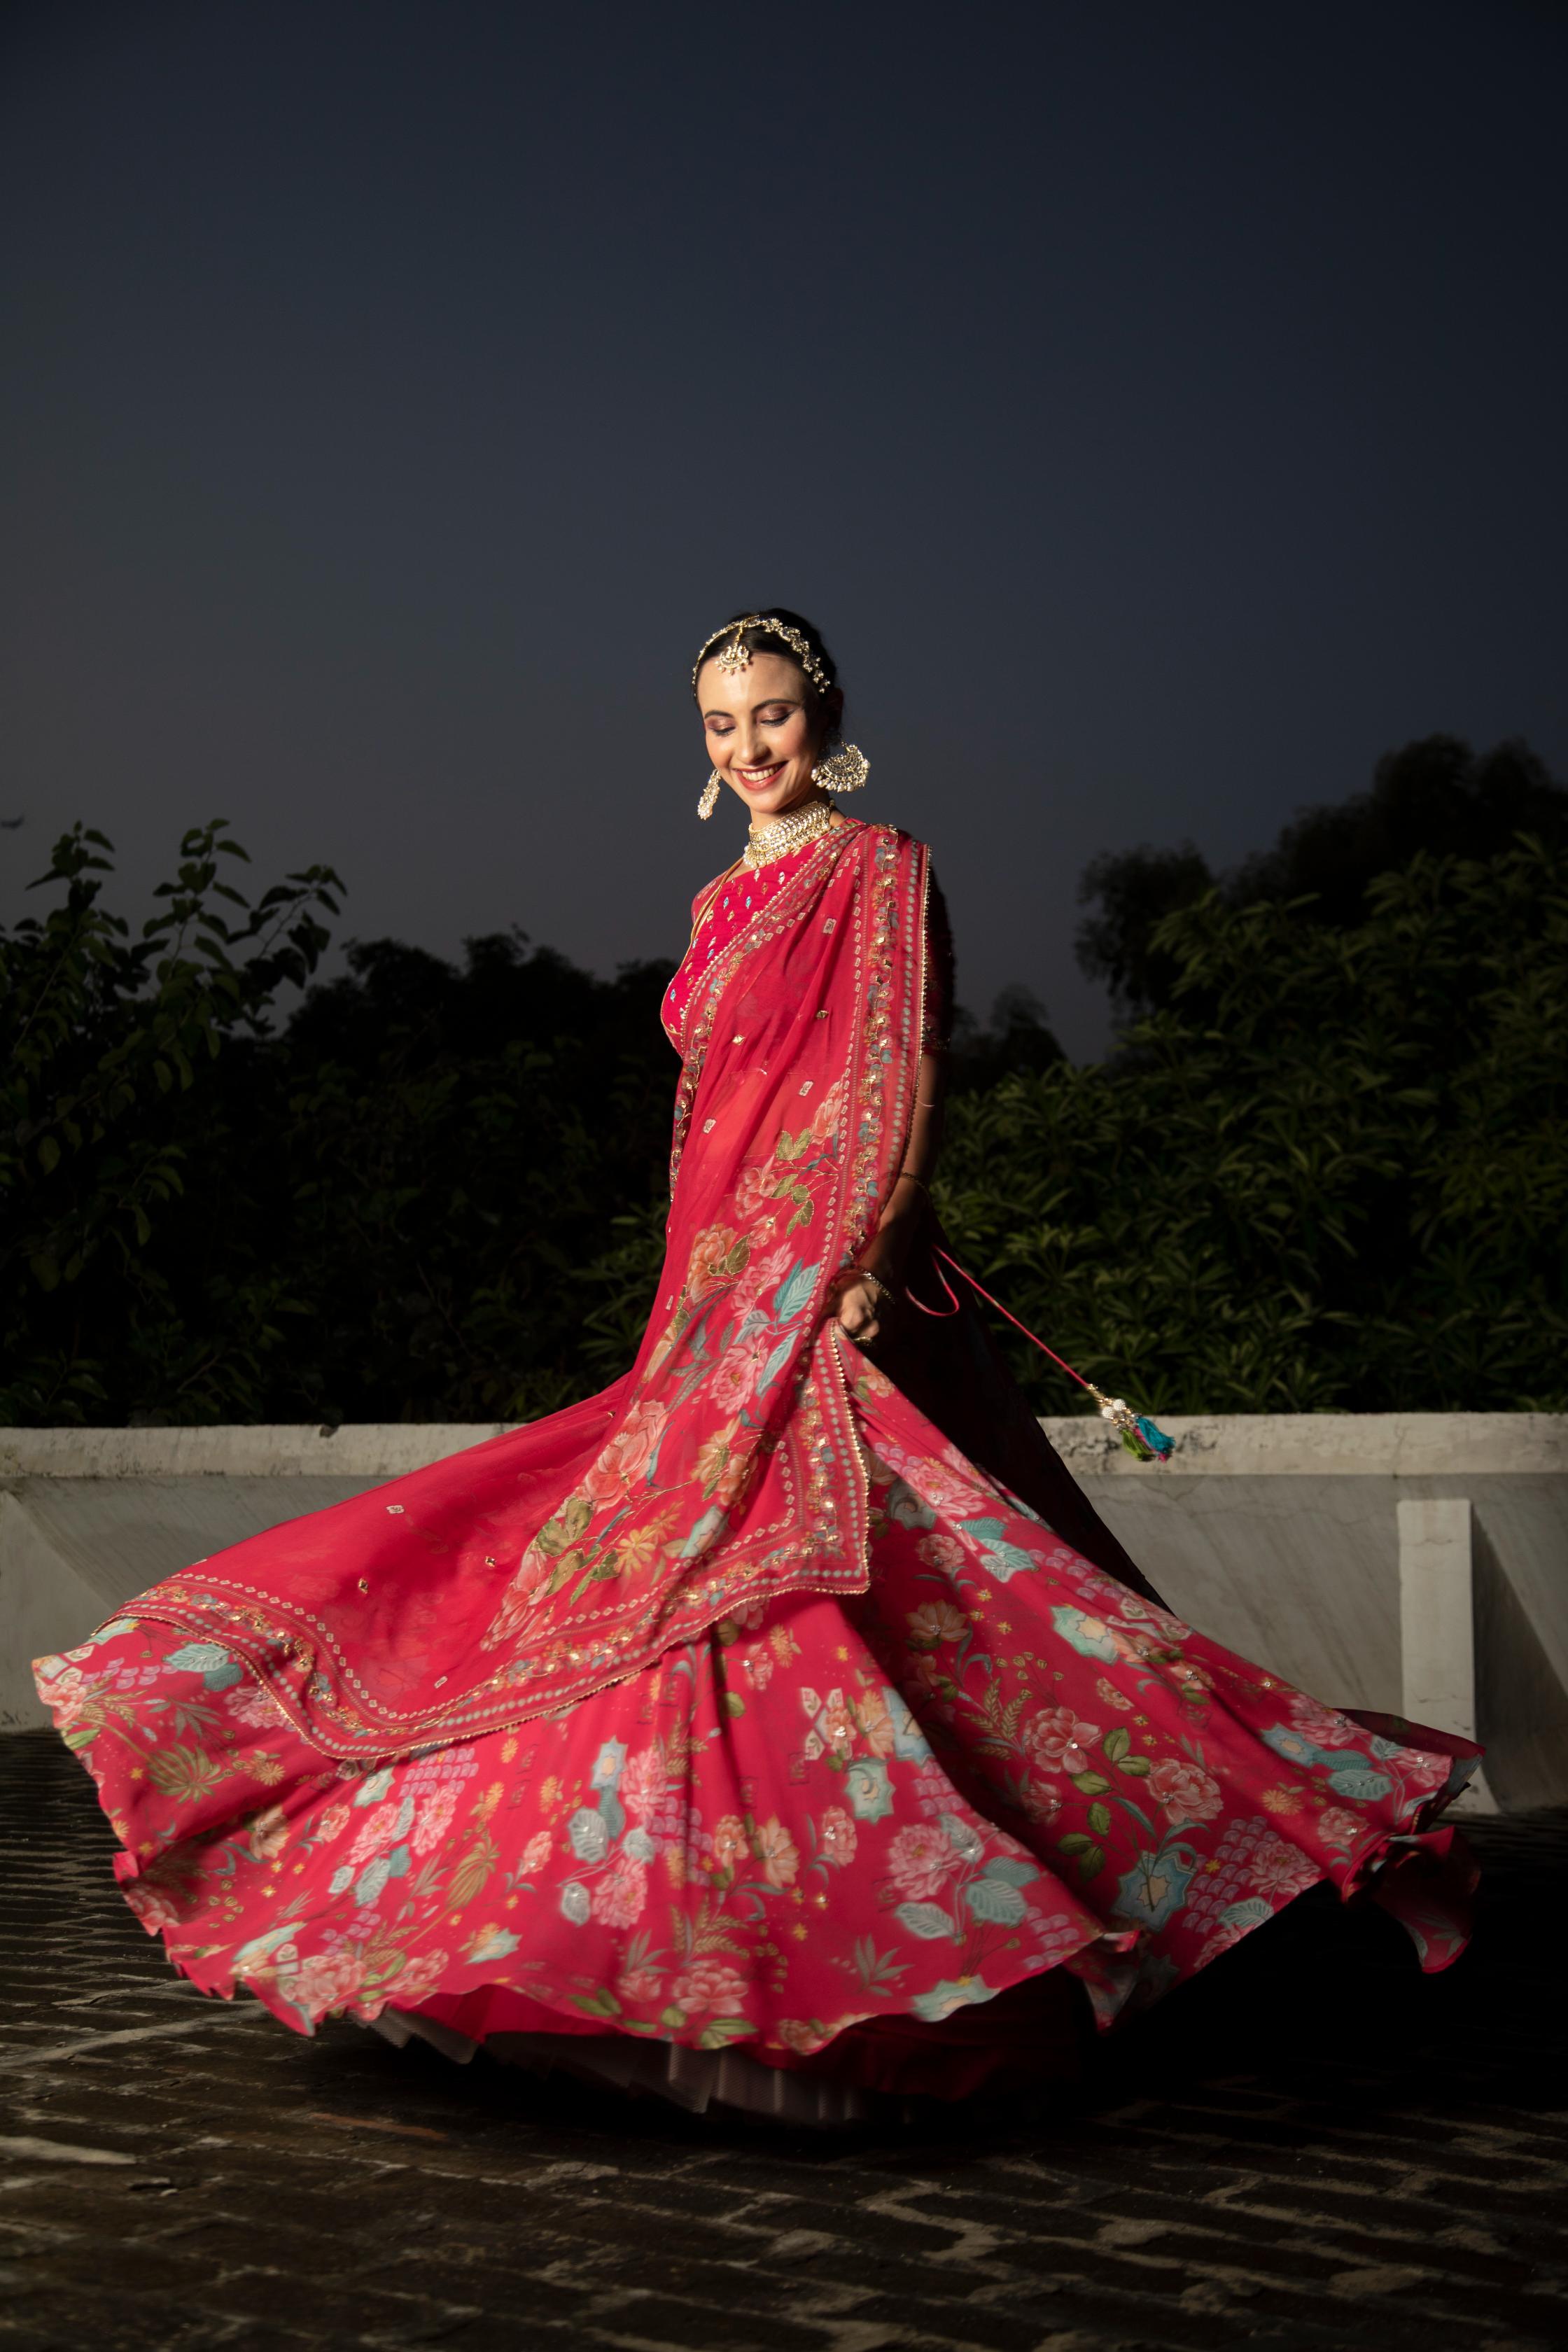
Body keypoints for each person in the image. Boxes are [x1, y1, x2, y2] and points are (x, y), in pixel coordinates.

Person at [34, 608, 1478, 2124]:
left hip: (821, 1259)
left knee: (847, 1571)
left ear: (824, 712)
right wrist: (686, 1308)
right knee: (671, 1578)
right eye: (722, 725)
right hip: (711, 1284)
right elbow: (702, 1119)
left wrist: (862, 1253)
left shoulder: (881, 868)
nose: (748, 747)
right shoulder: (723, 895)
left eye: (773, 715)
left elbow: (905, 1065)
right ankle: (662, 1938)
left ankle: (943, 1929)